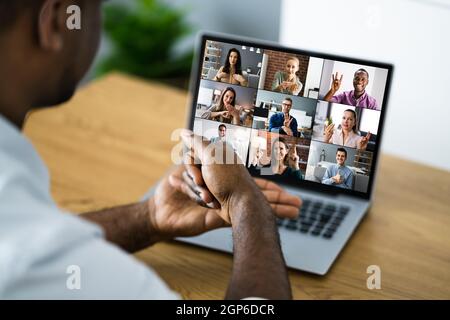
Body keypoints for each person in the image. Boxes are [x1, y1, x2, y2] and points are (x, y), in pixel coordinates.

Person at [0, 0, 302, 299]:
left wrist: (149, 218)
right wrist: (245, 200)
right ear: (55, 20)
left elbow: (49, 237)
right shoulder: (35, 261)